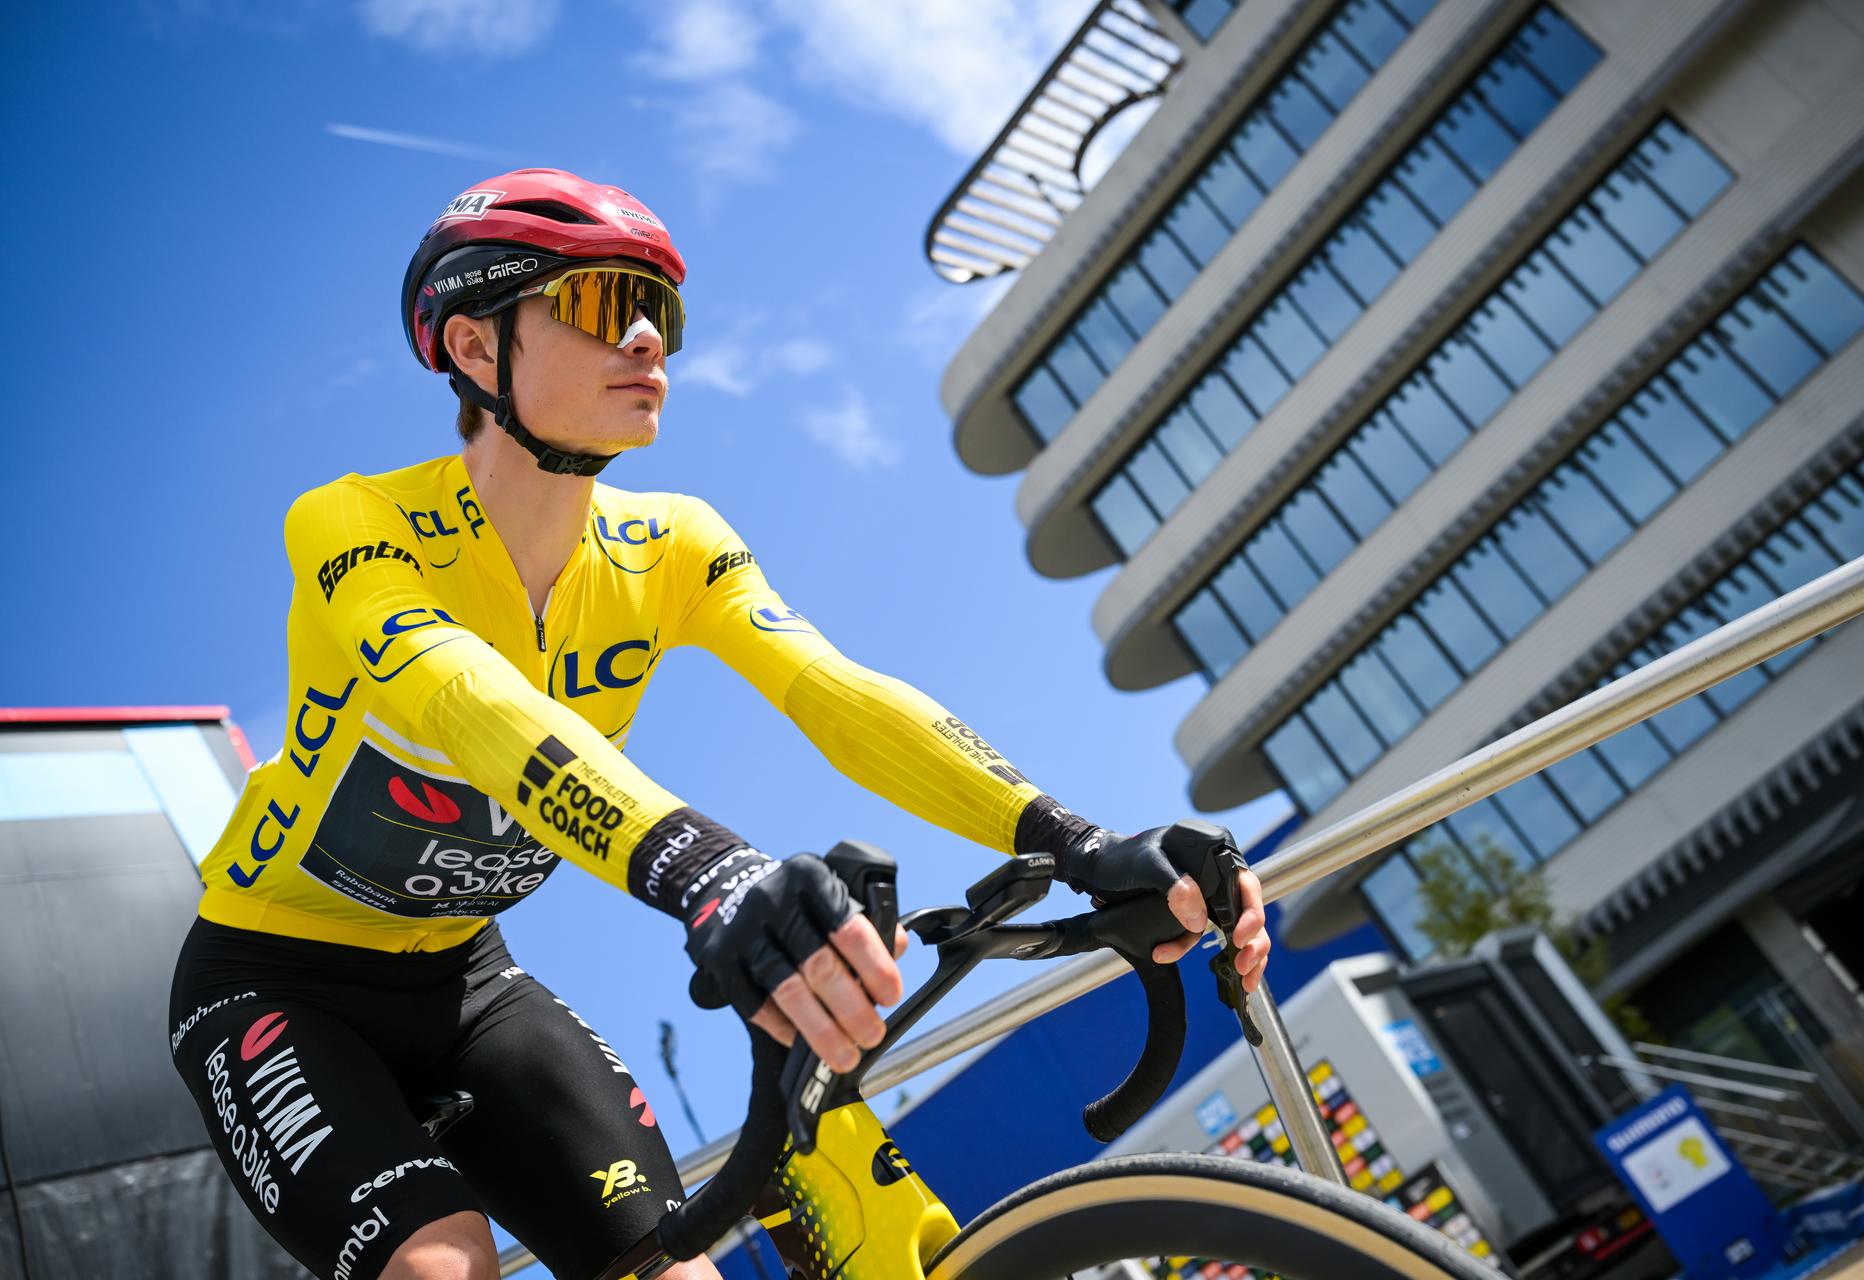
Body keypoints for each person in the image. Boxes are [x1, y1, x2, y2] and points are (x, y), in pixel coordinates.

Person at [167, 168, 1274, 1280]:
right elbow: (465, 698)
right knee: (441, 1269)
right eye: (603, 302)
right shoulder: (355, 523)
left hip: (469, 983)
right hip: (276, 980)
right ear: (471, 346)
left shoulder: (677, 542)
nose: (648, 336)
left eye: (663, 310)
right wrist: (713, 872)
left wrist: (1074, 838)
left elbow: (835, 692)